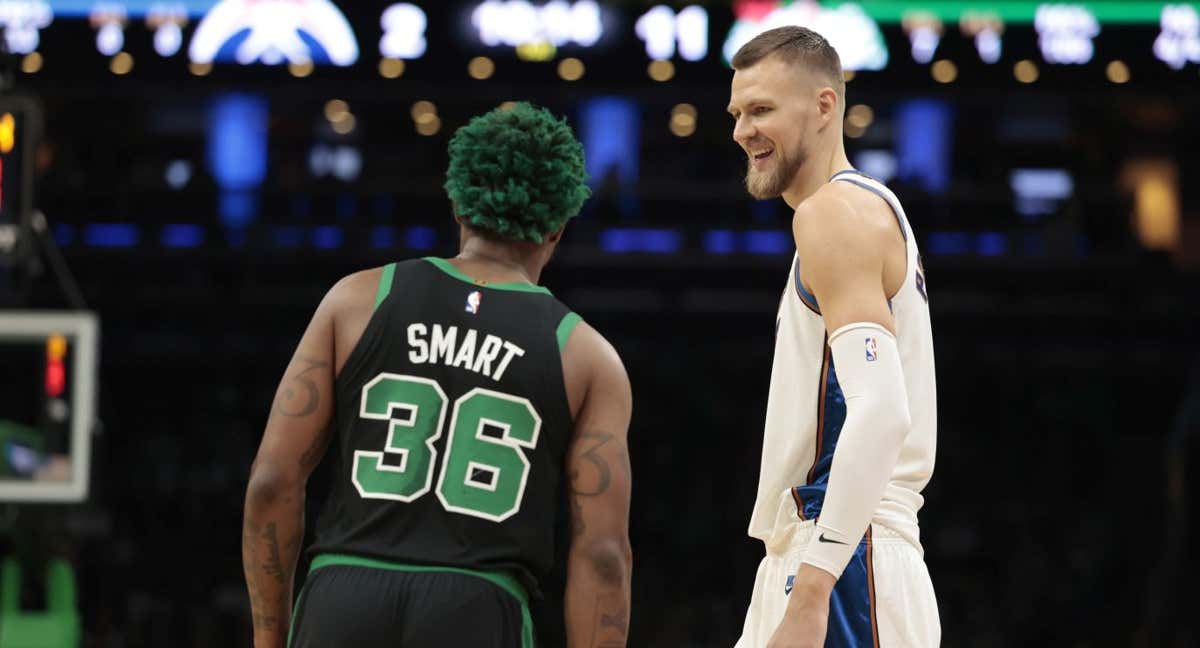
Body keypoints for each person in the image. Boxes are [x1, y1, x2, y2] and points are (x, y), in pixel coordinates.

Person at [241, 102, 633, 648]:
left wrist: (269, 637)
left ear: (457, 202)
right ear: (559, 227)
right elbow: (603, 555)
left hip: (341, 597)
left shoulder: (356, 300)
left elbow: (271, 483)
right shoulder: (587, 355)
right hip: (478, 605)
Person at [726, 27, 940, 647]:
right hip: (840, 550)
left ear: (825, 106)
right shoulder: (857, 213)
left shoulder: (834, 213)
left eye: (761, 109)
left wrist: (813, 589)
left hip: (843, 555)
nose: (742, 130)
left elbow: (879, 414)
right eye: (738, 113)